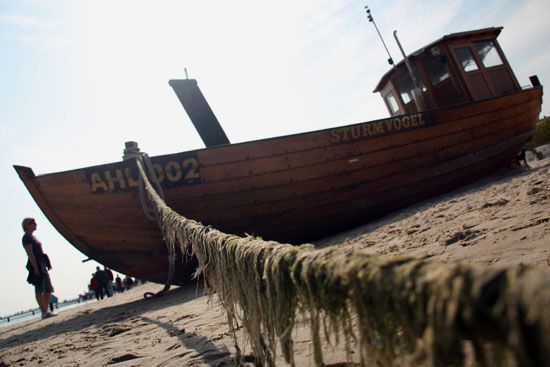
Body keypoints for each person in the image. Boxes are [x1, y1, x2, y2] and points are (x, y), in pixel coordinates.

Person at [21, 217, 57, 319]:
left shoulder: (33, 237)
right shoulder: (26, 238)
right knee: (39, 289)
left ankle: (46, 311)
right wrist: (36, 268)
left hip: (42, 263)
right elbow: (30, 254)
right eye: (33, 222)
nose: (36, 224)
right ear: (27, 225)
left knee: (48, 288)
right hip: (36, 265)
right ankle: (44, 312)